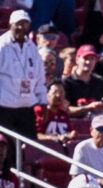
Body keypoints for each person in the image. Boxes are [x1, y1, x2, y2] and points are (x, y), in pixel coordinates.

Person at [0, 10, 48, 141]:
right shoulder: (1, 46)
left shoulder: (32, 48)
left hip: (26, 108)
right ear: (10, 26)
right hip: (4, 109)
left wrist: (43, 102)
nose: (22, 28)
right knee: (6, 147)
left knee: (29, 146)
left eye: (25, 24)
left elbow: (39, 79)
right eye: (18, 24)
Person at [62, 45, 103, 117]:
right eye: (85, 58)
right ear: (77, 59)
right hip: (73, 123)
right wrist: (89, 108)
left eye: (92, 59)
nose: (88, 62)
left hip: (95, 122)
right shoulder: (66, 81)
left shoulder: (99, 81)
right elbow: (65, 110)